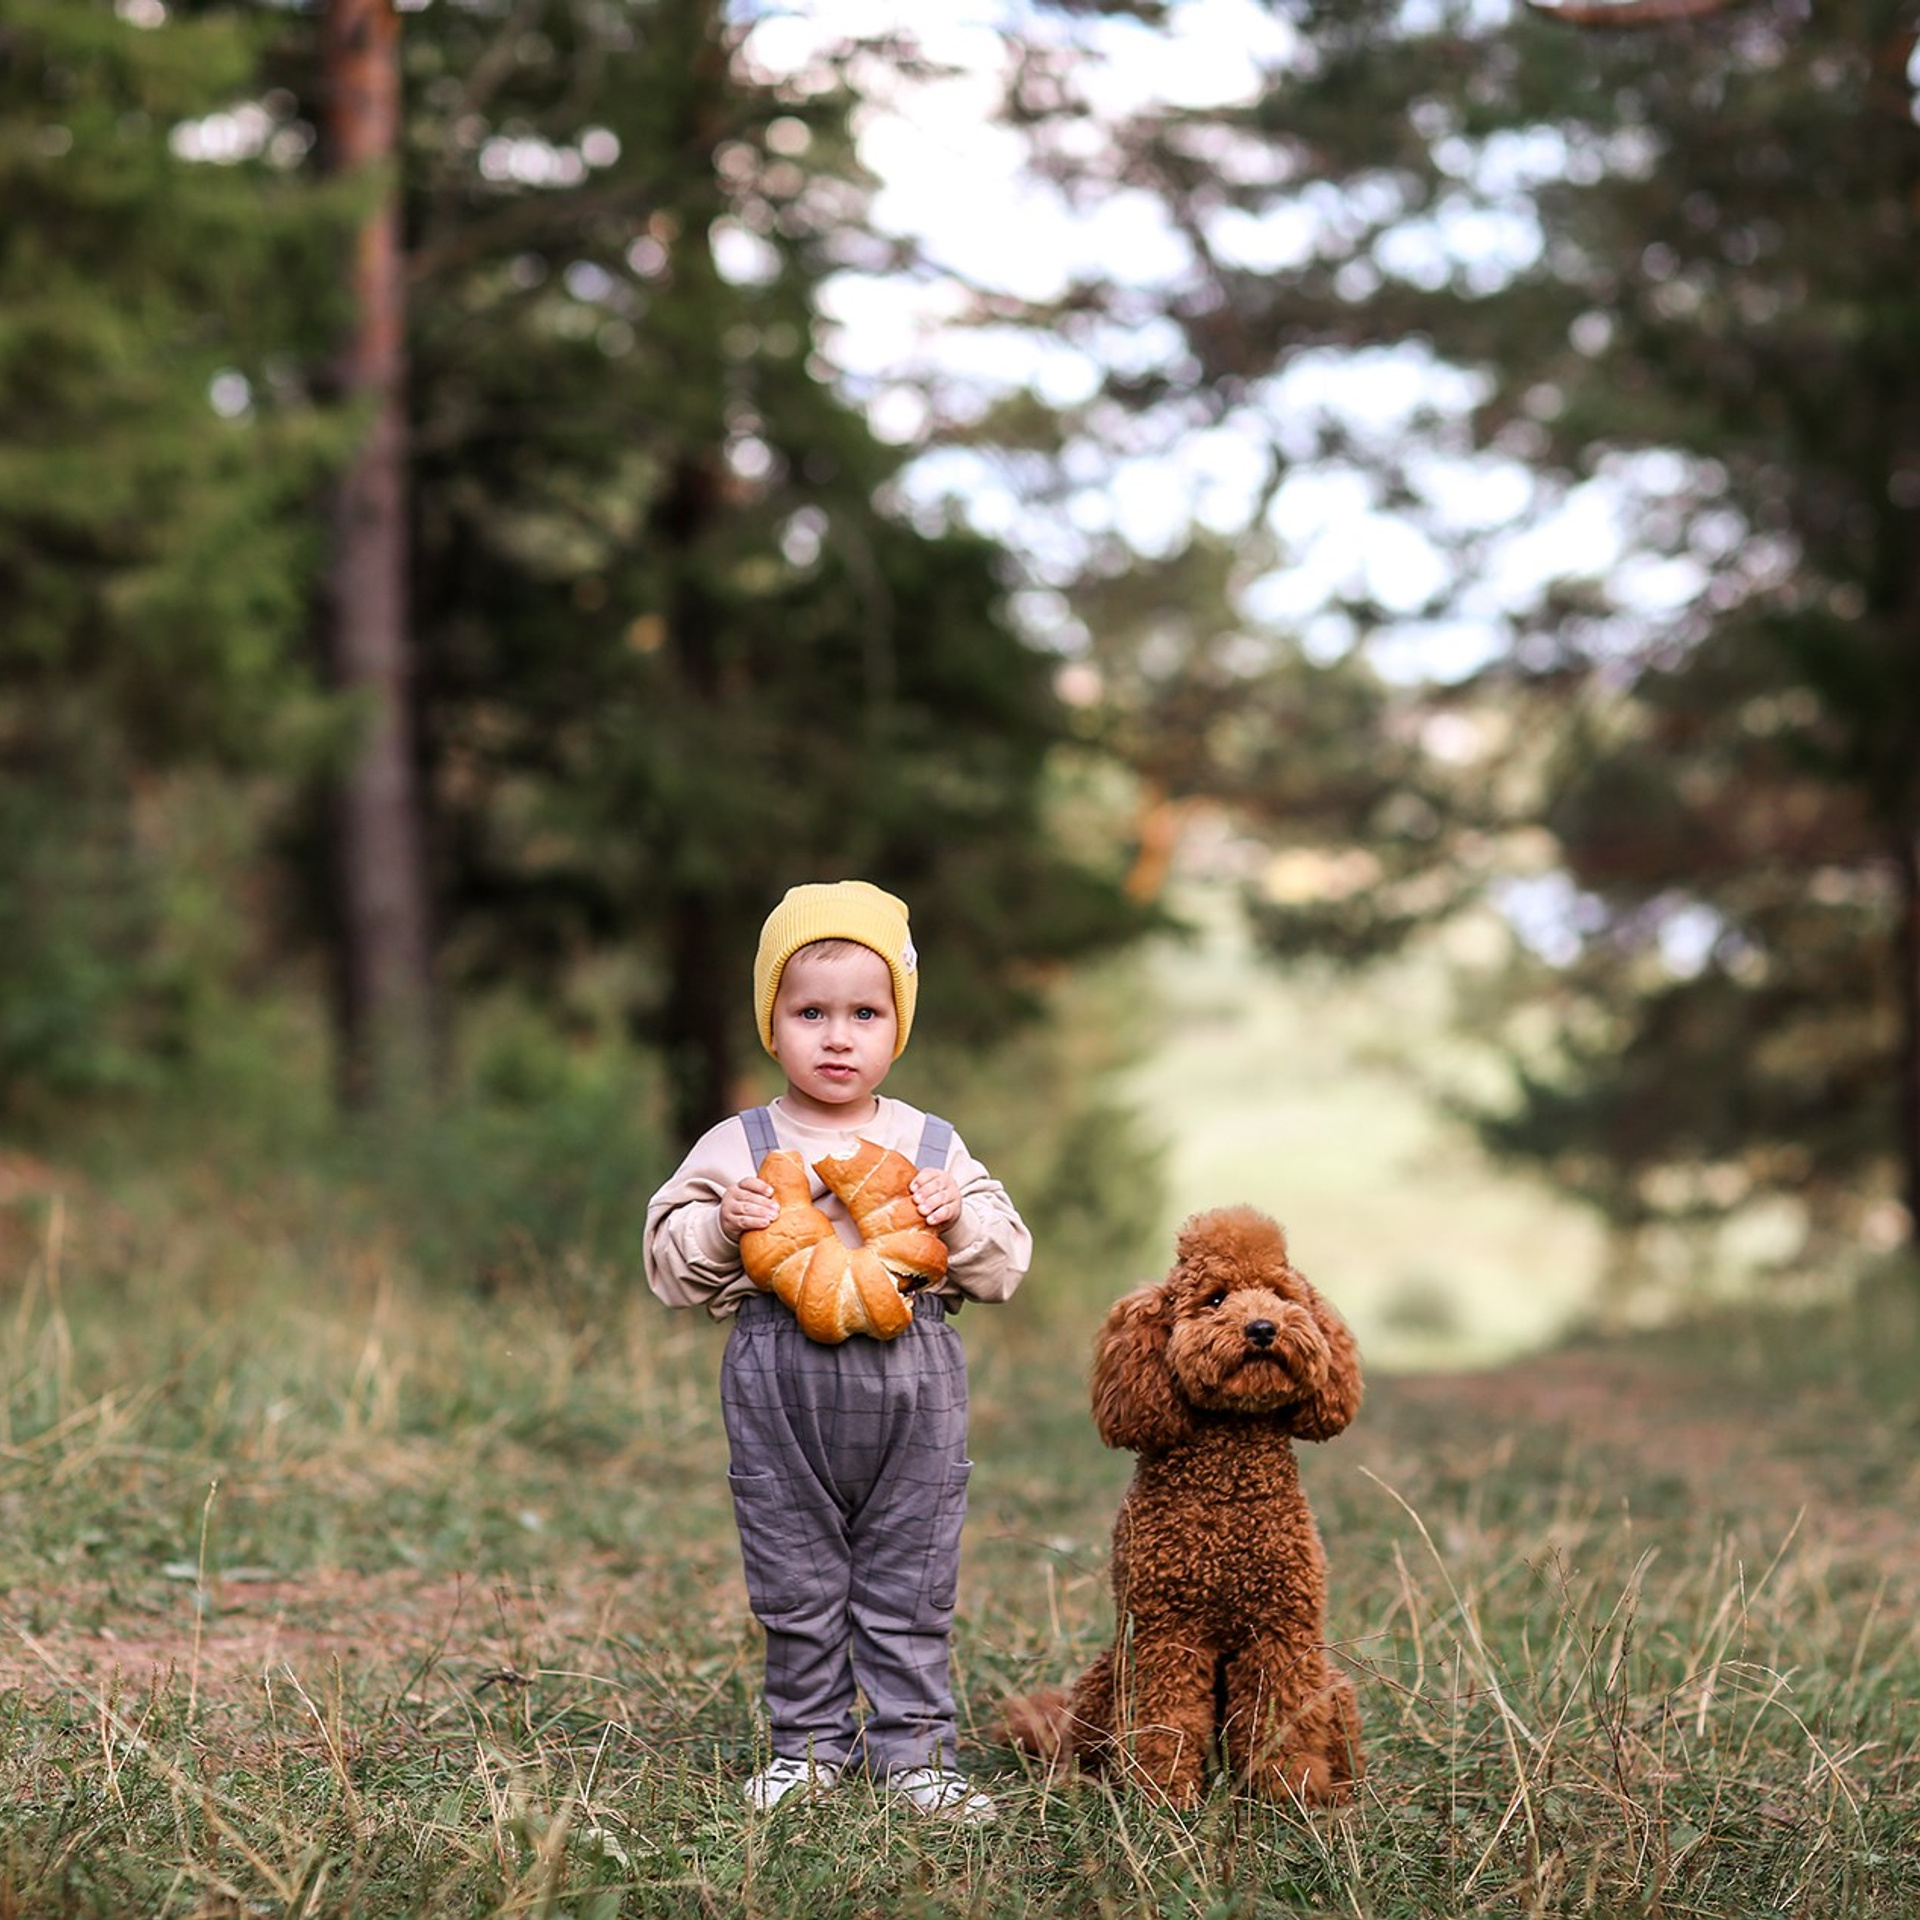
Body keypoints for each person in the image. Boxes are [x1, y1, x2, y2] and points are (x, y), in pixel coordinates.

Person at [645, 881, 1031, 1822]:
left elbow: (1006, 1262)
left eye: (865, 1012)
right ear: (770, 1024)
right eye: (808, 1011)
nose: (836, 1035)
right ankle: (808, 1745)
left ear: (897, 1027)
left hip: (914, 1383)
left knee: (912, 1568)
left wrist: (959, 1215)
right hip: (780, 1381)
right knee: (794, 1567)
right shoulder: (739, 1144)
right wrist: (720, 1228)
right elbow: (666, 1264)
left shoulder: (931, 1144)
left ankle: (917, 1754)